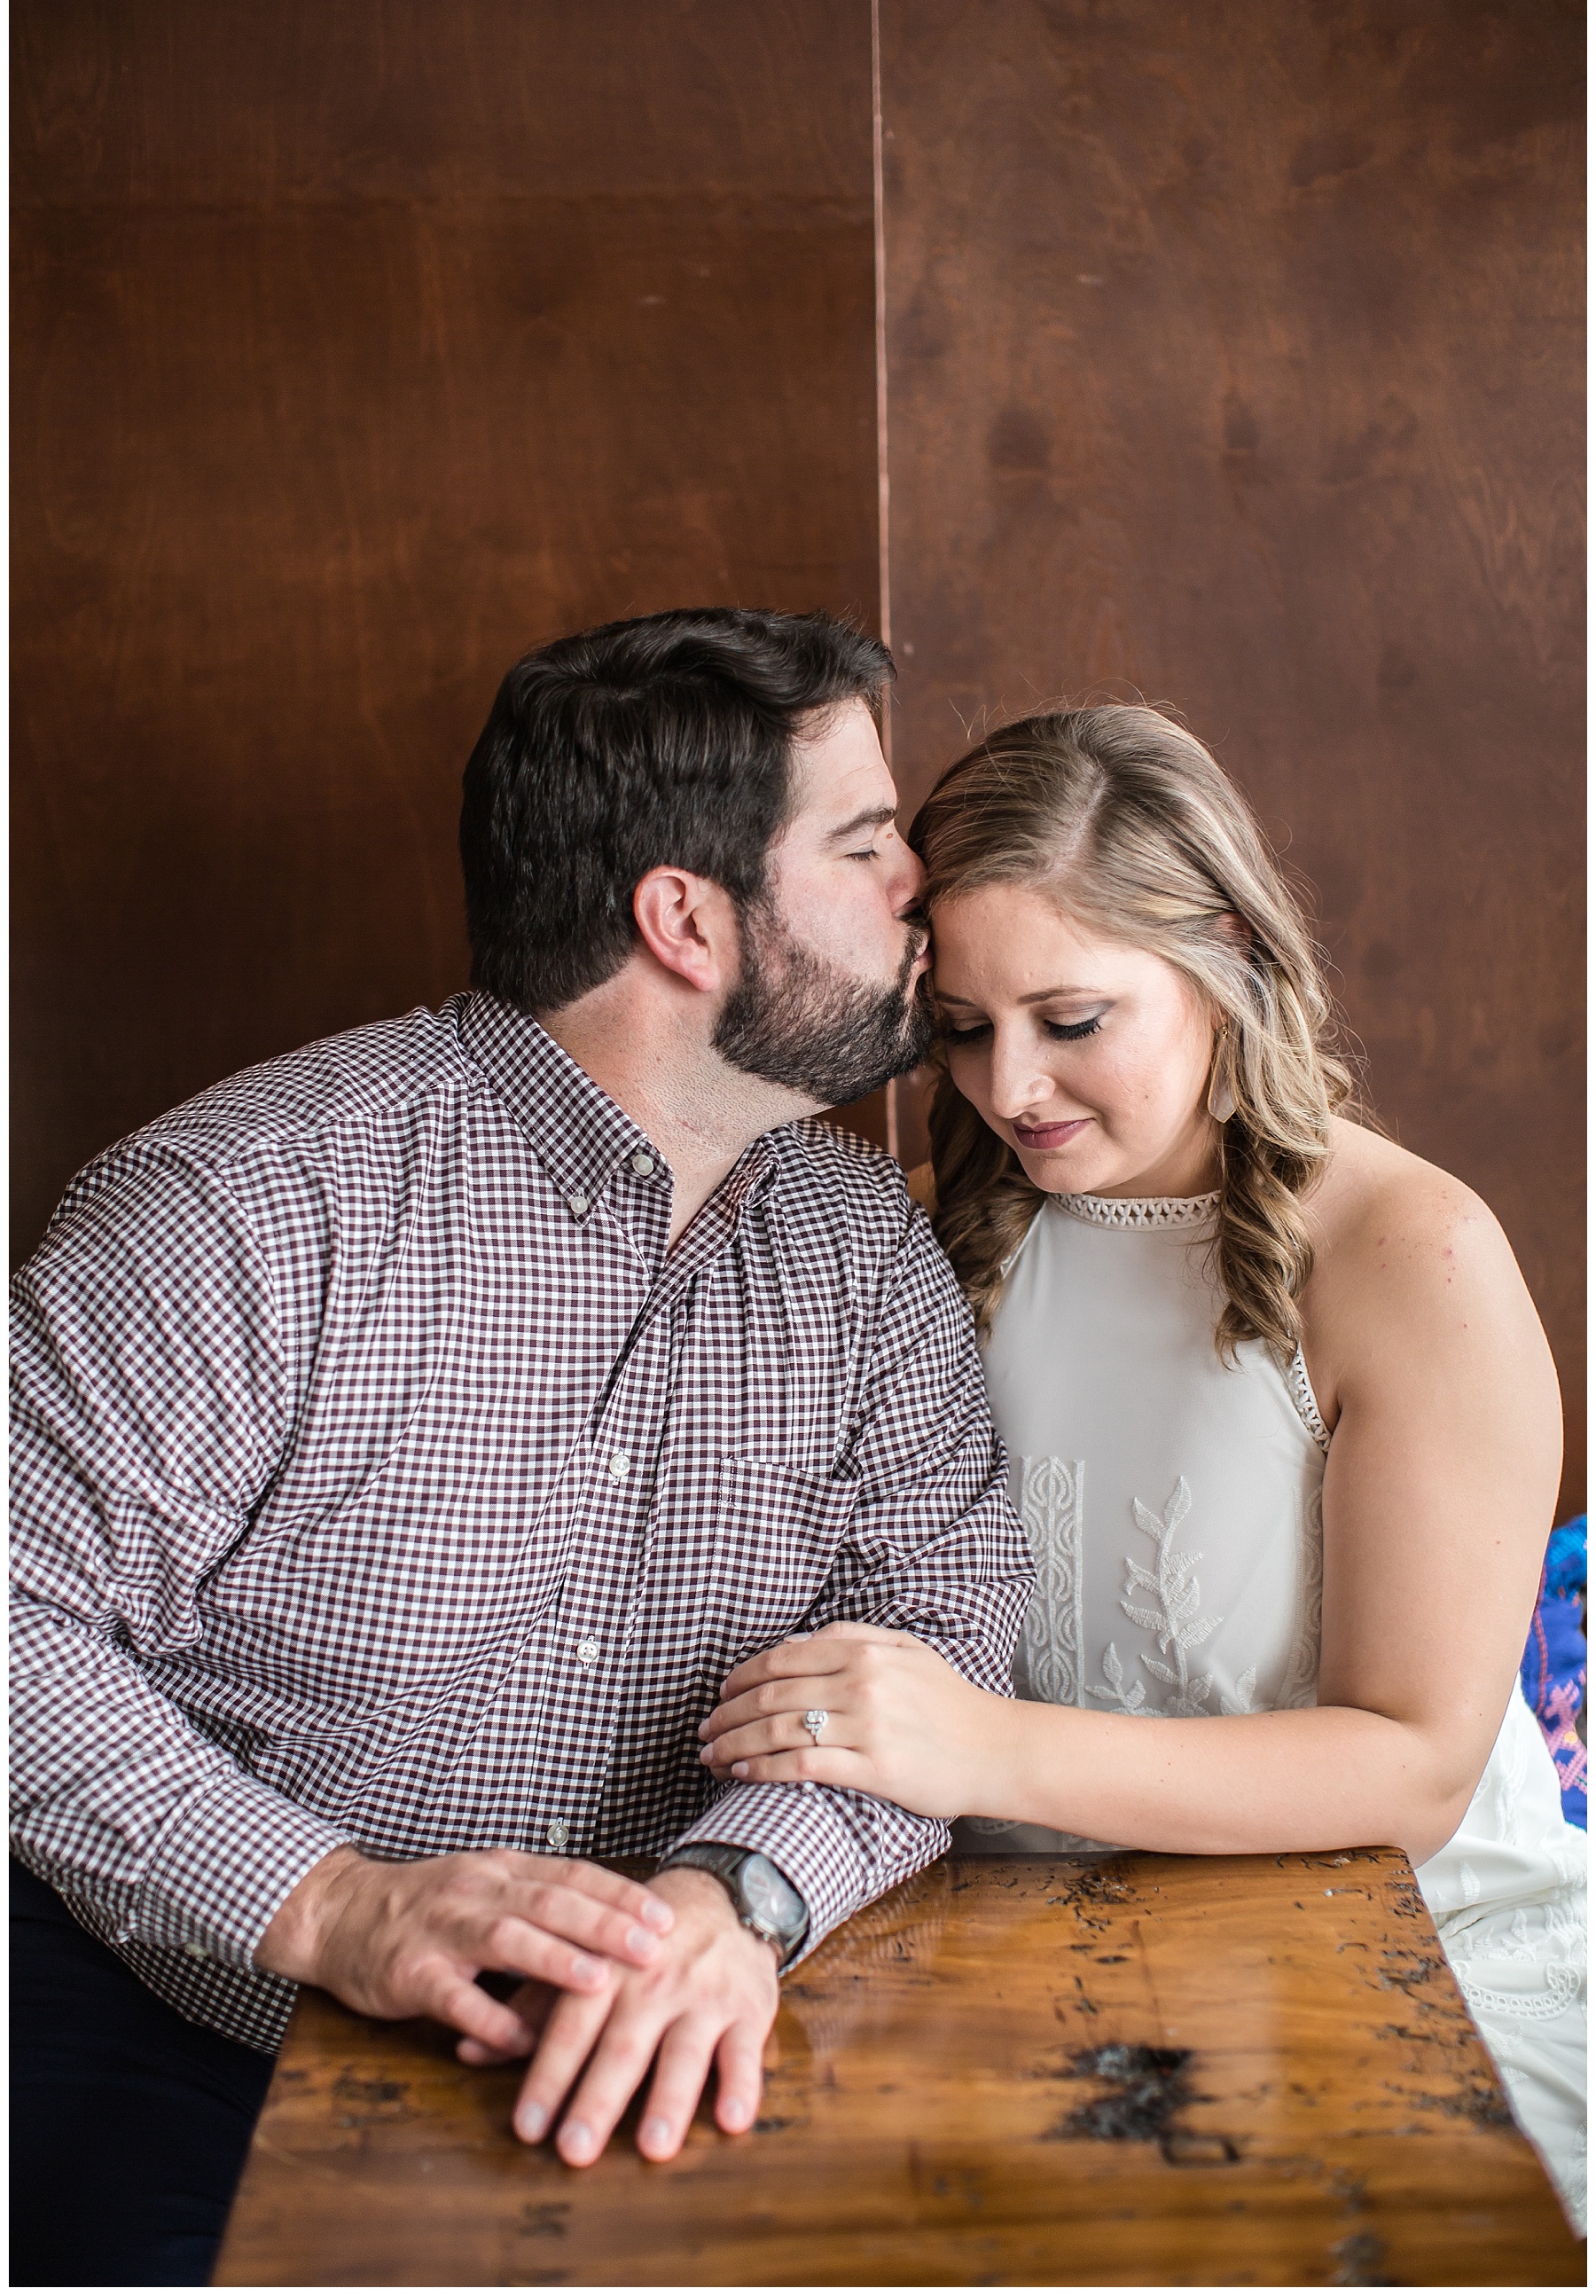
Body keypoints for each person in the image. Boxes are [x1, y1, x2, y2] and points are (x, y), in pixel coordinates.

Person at [11, 607, 1032, 2285]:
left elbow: (943, 1622)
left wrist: (738, 1897)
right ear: (687, 919)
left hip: (681, 2033)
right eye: (866, 845)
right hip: (198, 2034)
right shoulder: (252, 1207)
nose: (926, 885)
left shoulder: (859, 1241)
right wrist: (337, 1906)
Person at [699, 701, 1588, 2230]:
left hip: (1415, 1963)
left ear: (1224, 949)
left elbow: (1416, 1772)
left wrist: (977, 1749)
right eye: (965, 1028)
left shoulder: (1407, 1253)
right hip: (1010, 1967)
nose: (1011, 1088)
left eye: (1072, 1017)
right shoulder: (923, 1228)